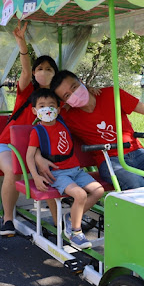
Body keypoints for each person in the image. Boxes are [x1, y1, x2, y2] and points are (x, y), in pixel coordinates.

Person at [46, 70, 144, 191]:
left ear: (81, 81)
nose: (74, 95)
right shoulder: (66, 115)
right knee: (135, 182)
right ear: (64, 101)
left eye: (74, 87)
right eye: (67, 95)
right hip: (108, 161)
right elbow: (43, 114)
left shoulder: (111, 94)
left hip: (138, 153)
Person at [0, 21, 59, 237]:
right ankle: (8, 218)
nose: (44, 72)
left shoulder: (59, 102)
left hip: (37, 150)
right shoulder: (27, 91)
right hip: (7, 145)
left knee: (49, 169)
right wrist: (22, 44)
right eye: (41, 68)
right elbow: (26, 71)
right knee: (13, 168)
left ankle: (60, 223)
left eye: (49, 69)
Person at [25, 88, 104, 249]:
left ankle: (71, 217)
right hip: (58, 174)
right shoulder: (38, 131)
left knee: (99, 191)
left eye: (51, 105)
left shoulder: (62, 121)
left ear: (59, 108)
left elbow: (72, 98)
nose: (47, 109)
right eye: (41, 106)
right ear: (34, 110)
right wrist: (36, 175)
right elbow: (29, 155)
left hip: (76, 170)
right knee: (80, 194)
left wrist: (87, 88)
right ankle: (75, 232)